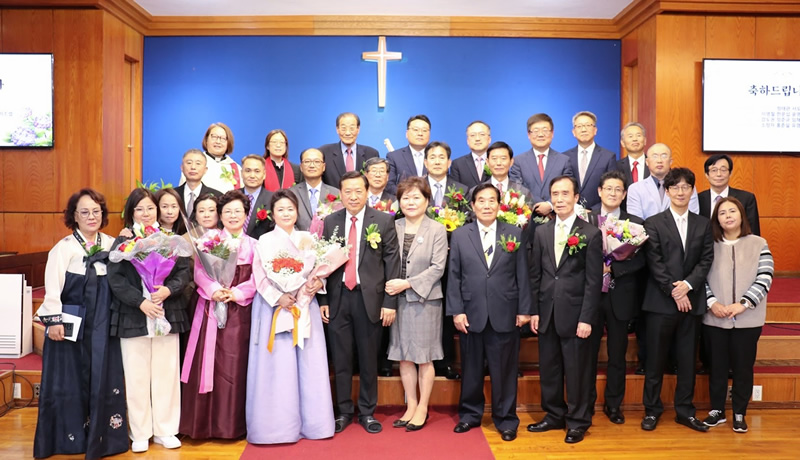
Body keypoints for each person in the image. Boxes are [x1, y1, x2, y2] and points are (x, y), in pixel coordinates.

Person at [33, 188, 128, 459]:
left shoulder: (112, 244)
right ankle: (69, 441)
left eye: (96, 211)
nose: (91, 216)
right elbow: (53, 288)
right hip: (71, 325)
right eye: (84, 212)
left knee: (105, 376)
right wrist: (53, 322)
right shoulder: (64, 248)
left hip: (104, 324)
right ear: (74, 216)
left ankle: (105, 440)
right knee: (70, 380)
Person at [246, 190, 334, 444]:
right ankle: (277, 427)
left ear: (297, 212)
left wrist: (315, 284)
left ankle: (314, 424)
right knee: (277, 365)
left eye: (290, 209)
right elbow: (259, 276)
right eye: (280, 209)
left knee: (309, 364)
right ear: (272, 214)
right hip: (274, 307)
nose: (286, 214)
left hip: (304, 305)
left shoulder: (308, 238)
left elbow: (320, 270)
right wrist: (279, 297)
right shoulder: (264, 241)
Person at [108, 188, 192, 453]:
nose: (146, 214)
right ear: (131, 213)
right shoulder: (123, 241)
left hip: (167, 311)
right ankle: (140, 432)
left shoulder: (170, 239)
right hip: (133, 316)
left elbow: (184, 271)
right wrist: (140, 302)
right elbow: (116, 280)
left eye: (150, 208)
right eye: (139, 209)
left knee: (167, 374)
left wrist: (168, 290)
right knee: (136, 377)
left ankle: (166, 430)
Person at [318, 171, 401, 434]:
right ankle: (343, 411)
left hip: (371, 300)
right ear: (340, 194)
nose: (353, 196)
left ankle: (367, 412)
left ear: (367, 193)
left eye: (358, 191)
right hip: (338, 297)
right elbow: (322, 262)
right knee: (341, 360)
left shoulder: (384, 221)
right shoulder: (330, 221)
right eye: (348, 191)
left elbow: (393, 264)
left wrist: (390, 302)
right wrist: (323, 298)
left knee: (368, 360)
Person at [448, 183, 532, 442]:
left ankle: (506, 420)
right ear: (473, 206)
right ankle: (469, 415)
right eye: (481, 201)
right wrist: (457, 311)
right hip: (471, 313)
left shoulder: (514, 233)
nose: (486, 205)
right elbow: (454, 275)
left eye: (491, 200)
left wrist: (524, 309)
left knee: (504, 372)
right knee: (471, 370)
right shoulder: (460, 235)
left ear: (499, 204)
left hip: (505, 312)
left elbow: (523, 273)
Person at [527, 176, 602, 444]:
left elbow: (594, 281)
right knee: (549, 369)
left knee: (577, 371)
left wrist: (586, 318)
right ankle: (554, 415)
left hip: (576, 314)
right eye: (555, 194)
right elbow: (535, 274)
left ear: (576, 197)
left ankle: (578, 421)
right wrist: (534, 311)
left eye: (565, 194)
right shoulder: (541, 232)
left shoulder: (590, 233)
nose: (559, 199)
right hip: (547, 313)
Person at [640, 168, 714, 433]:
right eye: (675, 187)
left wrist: (687, 286)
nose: (681, 192)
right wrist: (674, 291)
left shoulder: (703, 224)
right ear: (667, 191)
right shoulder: (653, 223)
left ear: (692, 190)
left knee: (687, 361)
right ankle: (652, 410)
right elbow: (655, 262)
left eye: (686, 187)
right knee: (655, 360)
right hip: (660, 303)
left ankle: (685, 411)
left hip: (691, 302)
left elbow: (706, 259)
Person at [180, 190, 257, 439]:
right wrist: (214, 289)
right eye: (227, 212)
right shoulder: (209, 241)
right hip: (209, 308)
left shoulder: (254, 245)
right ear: (220, 216)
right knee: (207, 363)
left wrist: (237, 293)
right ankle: (203, 425)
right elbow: (199, 272)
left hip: (240, 311)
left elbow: (258, 278)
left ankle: (230, 426)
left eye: (238, 211)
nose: (233, 216)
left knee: (235, 365)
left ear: (246, 215)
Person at [702, 197, 773, 433]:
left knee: (743, 367)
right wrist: (712, 303)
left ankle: (740, 412)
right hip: (715, 316)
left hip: (747, 318)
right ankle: (717, 410)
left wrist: (743, 304)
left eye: (732, 211)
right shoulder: (709, 245)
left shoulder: (758, 243)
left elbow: (765, 276)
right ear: (717, 219)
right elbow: (700, 277)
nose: (728, 216)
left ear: (742, 215)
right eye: (722, 213)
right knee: (717, 366)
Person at [385, 177, 448, 431]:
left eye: (416, 197)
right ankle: (410, 405)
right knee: (403, 356)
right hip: (397, 300)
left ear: (427, 201)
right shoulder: (392, 226)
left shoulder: (437, 229)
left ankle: (423, 407)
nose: (410, 202)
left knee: (424, 357)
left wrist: (407, 284)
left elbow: (438, 268)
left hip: (425, 300)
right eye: (405, 198)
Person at [586, 171, 647, 425]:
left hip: (620, 295)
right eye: (608, 188)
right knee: (587, 355)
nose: (612, 193)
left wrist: (613, 267)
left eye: (618, 189)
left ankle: (614, 405)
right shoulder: (586, 218)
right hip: (590, 297)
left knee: (617, 355)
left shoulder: (635, 223)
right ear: (599, 191)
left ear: (624, 195)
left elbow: (642, 260)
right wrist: (595, 268)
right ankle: (586, 404)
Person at [423, 140, 466, 380]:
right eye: (433, 157)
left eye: (442, 157)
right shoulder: (417, 188)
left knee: (449, 311)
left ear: (449, 162)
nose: (437, 161)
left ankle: (446, 362)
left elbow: (468, 221)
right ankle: (424, 359)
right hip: (424, 261)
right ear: (425, 162)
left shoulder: (462, 190)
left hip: (453, 260)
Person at [509, 113, 574, 223]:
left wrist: (549, 204)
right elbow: (517, 189)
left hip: (557, 218)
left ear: (552, 133)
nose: (540, 134)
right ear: (528, 134)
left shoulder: (564, 161)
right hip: (528, 219)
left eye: (545, 130)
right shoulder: (518, 161)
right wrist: (539, 206)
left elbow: (568, 188)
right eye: (535, 131)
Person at [626, 143, 699, 220]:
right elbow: (636, 221)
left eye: (664, 156)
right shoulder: (635, 189)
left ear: (670, 161)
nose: (659, 161)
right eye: (655, 156)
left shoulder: (686, 187)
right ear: (647, 162)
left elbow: (692, 217)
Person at [563, 111, 618, 209]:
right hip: (570, 211)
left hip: (598, 212)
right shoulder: (565, 157)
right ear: (574, 132)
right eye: (579, 126)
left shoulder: (608, 157)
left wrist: (594, 211)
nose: (584, 129)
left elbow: (611, 188)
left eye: (588, 125)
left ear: (595, 130)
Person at [698, 154, 760, 235]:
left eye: (723, 170)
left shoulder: (746, 198)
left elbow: (753, 232)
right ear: (707, 174)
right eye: (714, 170)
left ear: (730, 173)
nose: (719, 174)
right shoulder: (698, 199)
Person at [320, 112, 379, 187]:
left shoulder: (371, 154)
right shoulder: (325, 152)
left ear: (358, 129)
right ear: (337, 129)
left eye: (352, 128)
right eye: (343, 128)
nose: (347, 133)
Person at [180, 123, 242, 193]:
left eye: (223, 138)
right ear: (206, 140)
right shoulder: (194, 164)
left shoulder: (236, 168)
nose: (218, 142)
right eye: (214, 137)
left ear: (228, 143)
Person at [290, 148, 340, 231]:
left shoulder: (336, 193)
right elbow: (287, 221)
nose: (312, 165)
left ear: (324, 167)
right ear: (301, 167)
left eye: (317, 161)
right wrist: (301, 237)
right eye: (307, 161)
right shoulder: (291, 193)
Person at [467, 141, 532, 202]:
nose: (498, 163)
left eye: (503, 158)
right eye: (494, 158)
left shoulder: (523, 192)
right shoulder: (476, 191)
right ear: (487, 162)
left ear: (511, 162)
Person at [386, 114, 431, 194]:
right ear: (407, 134)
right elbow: (389, 185)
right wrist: (408, 196)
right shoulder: (394, 157)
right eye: (416, 130)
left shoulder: (436, 157)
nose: (420, 133)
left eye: (424, 130)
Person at [175, 149, 222, 217]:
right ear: (182, 167)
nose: (193, 167)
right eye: (189, 163)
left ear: (205, 170)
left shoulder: (217, 196)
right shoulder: (173, 195)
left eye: (198, 163)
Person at [449, 121, 492, 189]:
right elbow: (455, 190)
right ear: (468, 141)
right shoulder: (457, 164)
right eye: (473, 135)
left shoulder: (496, 162)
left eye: (482, 134)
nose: (477, 139)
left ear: (489, 139)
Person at [240, 154, 275, 239]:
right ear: (241, 173)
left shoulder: (273, 200)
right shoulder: (231, 197)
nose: (252, 176)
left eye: (257, 171)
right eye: (248, 171)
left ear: (264, 174)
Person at [616, 122, 650, 189]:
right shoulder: (616, 167)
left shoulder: (654, 164)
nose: (635, 139)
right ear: (622, 143)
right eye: (630, 136)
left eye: (638, 135)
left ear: (645, 141)